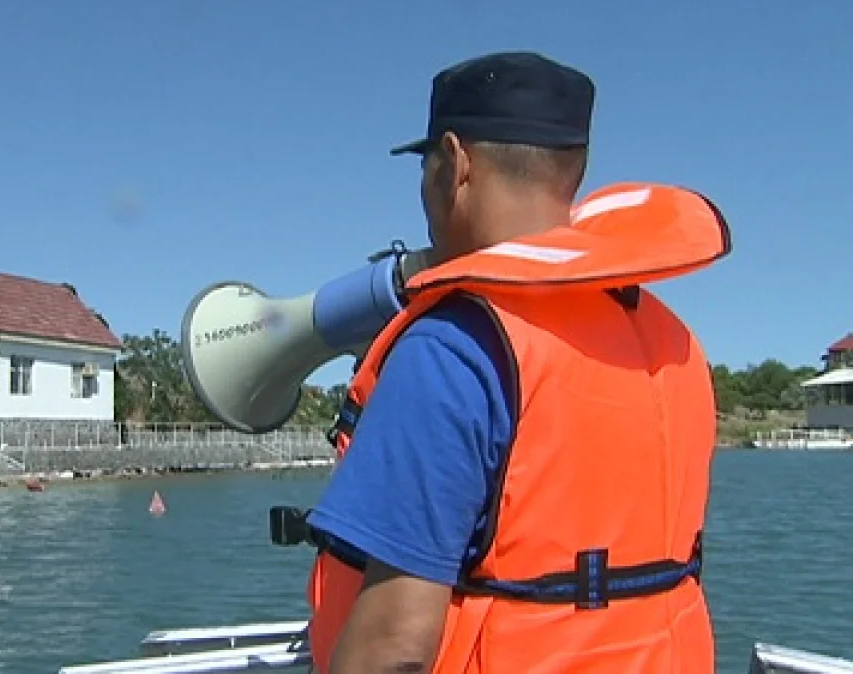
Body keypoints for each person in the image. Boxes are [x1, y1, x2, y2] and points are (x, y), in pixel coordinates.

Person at [303, 51, 731, 673]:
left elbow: (393, 649)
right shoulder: (676, 343)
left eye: (425, 167)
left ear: (455, 163)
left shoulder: (453, 348)